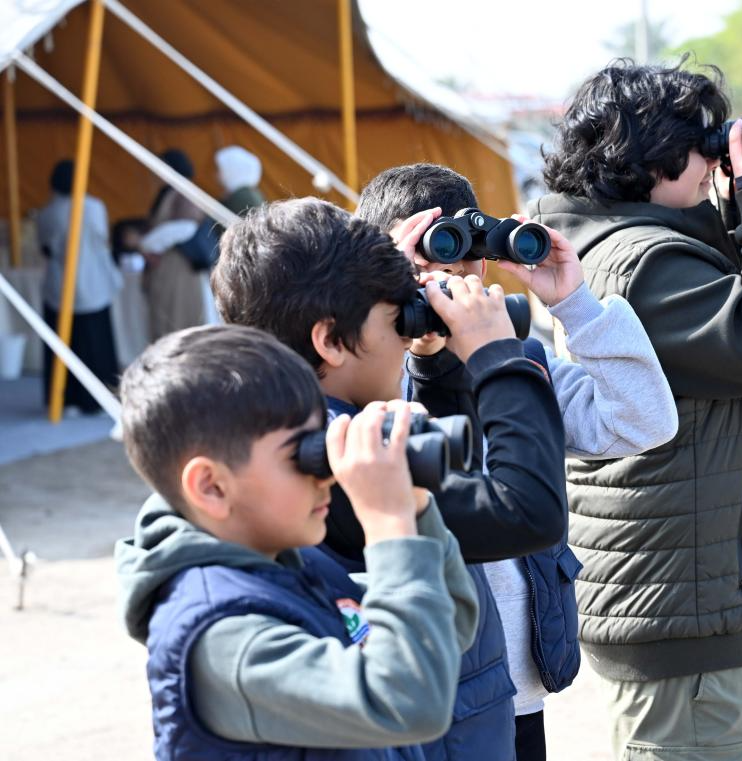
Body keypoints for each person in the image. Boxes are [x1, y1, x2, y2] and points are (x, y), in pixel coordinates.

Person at [530, 58, 742, 759]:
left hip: (682, 587)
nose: (714, 156)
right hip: (681, 603)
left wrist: (732, 203)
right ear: (646, 156)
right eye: (702, 142)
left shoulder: (632, 242)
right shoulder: (645, 264)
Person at [211, 198, 568, 761]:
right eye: (391, 320)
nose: (404, 335)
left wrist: (431, 359)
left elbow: (450, 471)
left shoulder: (280, 428)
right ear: (330, 340)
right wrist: (501, 359)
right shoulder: (337, 461)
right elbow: (527, 512)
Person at [355, 163, 680, 761]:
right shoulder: (362, 370)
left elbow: (643, 420)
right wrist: (379, 314)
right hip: (415, 679)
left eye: (463, 258)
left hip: (514, 682)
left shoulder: (516, 363)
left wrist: (574, 304)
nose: (447, 283)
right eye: (425, 263)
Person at [115, 324, 479, 759]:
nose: (326, 472)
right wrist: (387, 521)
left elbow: (447, 627)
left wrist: (416, 506)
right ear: (211, 487)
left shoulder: (292, 565)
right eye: (302, 454)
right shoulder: (225, 638)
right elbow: (409, 701)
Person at [36, 159, 121, 414]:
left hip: (60, 284)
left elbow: (45, 248)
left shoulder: (47, 212)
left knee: (63, 344)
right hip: (93, 281)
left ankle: (65, 399)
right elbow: (102, 239)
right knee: (96, 342)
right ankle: (97, 398)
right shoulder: (94, 206)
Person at [143, 148, 207, 340]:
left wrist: (146, 244)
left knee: (178, 319)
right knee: (166, 318)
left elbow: (184, 228)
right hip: (166, 269)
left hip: (179, 269)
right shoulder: (169, 192)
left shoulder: (184, 192)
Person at [215, 145, 266, 215]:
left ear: (232, 170)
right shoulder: (246, 193)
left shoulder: (242, 196)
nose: (216, 174)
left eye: (220, 169)